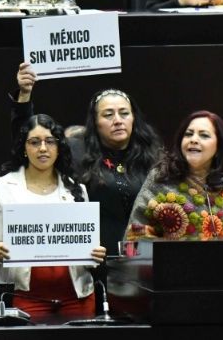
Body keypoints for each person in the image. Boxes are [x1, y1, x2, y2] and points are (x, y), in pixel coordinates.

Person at [9, 62, 161, 255]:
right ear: (95, 122)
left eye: (124, 113)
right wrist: (24, 98)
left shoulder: (152, 155)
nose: (117, 120)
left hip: (143, 259)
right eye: (108, 114)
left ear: (133, 118)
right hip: (93, 260)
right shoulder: (77, 150)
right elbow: (29, 143)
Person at [0, 114, 106, 320]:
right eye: (34, 142)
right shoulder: (3, 187)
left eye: (50, 141)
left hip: (77, 297)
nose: (43, 148)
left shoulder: (76, 189)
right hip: (26, 296)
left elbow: (89, 244)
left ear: (59, 147)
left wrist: (95, 253)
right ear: (24, 148)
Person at [124, 110, 223, 240]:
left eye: (204, 135)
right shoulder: (162, 176)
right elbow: (136, 234)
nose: (193, 140)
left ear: (218, 146)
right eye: (188, 134)